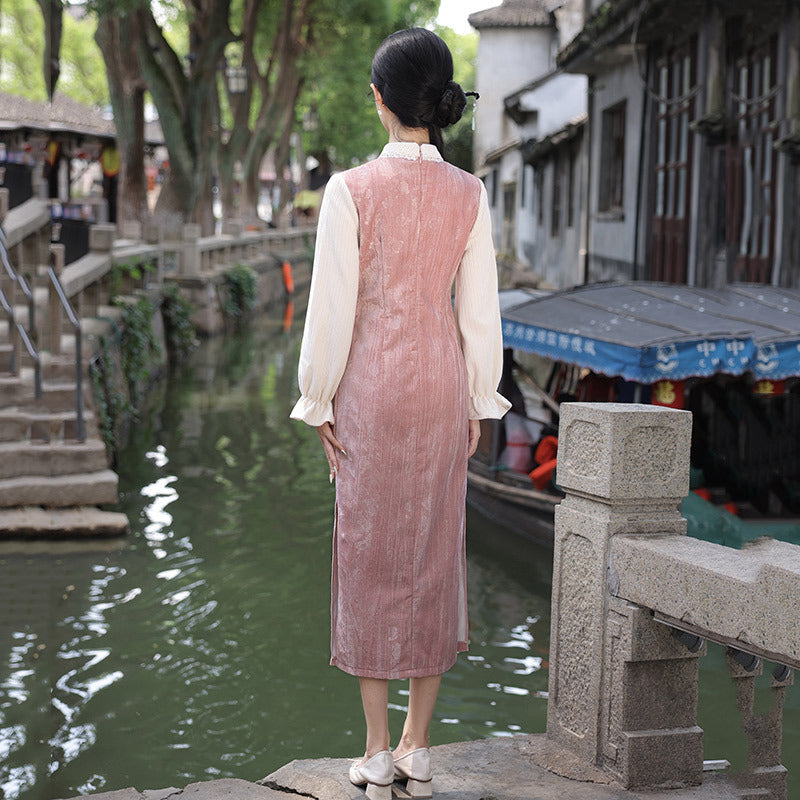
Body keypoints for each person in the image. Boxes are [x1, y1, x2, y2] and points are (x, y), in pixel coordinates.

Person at [290, 27, 510, 800]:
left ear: (380, 99)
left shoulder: (350, 190)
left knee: (369, 550)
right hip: (443, 385)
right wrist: (482, 395)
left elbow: (331, 312)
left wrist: (316, 397)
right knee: (433, 547)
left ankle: (377, 748)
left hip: (372, 391)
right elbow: (481, 311)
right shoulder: (470, 193)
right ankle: (421, 744)